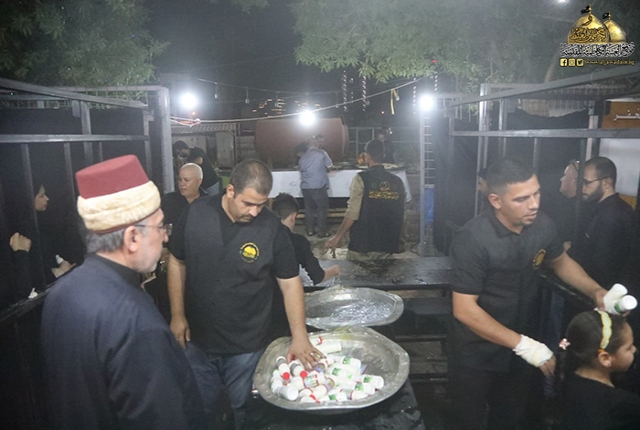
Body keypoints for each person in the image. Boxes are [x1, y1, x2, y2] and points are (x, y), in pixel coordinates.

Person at [41, 155, 205, 429]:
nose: (165, 236)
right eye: (160, 226)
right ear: (132, 237)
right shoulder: (136, 322)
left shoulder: (63, 291)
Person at [448, 157, 607, 430]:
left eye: (536, 194)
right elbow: (464, 309)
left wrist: (596, 290)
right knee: (467, 421)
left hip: (521, 348)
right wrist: (524, 345)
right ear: (496, 201)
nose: (533, 204)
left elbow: (561, 262)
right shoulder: (473, 239)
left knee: (510, 419)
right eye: (521, 199)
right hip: (476, 351)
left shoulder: (542, 225)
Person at [168, 159, 320, 429]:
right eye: (248, 203)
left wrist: (299, 336)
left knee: (241, 408)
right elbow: (177, 261)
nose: (254, 212)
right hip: (197, 339)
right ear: (230, 191)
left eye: (261, 205)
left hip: (247, 345)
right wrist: (177, 315)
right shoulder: (195, 214)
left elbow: (289, 283)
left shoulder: (271, 228)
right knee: (202, 407)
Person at [556, 310, 640, 429]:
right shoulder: (624, 405)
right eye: (629, 348)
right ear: (605, 358)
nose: (634, 350)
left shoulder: (566, 376)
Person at [325, 139, 405, 261]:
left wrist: (337, 236)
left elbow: (353, 213)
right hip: (387, 246)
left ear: (367, 156)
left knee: (357, 273)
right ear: (383, 155)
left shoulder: (361, 179)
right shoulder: (397, 182)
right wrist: (400, 239)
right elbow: (401, 213)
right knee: (384, 272)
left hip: (362, 245)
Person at [568, 157, 636, 290]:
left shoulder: (612, 216)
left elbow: (601, 267)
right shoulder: (611, 209)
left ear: (606, 183)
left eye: (586, 182)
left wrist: (571, 252)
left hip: (604, 292)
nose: (581, 188)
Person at [271, 193, 340, 285]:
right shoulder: (298, 242)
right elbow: (318, 277)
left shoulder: (260, 235)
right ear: (293, 217)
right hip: (285, 291)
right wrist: (335, 270)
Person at [298, 136, 333, 237]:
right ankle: (322, 232)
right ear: (317, 144)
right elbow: (329, 165)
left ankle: (310, 230)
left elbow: (301, 169)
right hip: (318, 186)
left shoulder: (303, 157)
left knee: (309, 209)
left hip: (305, 187)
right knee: (321, 209)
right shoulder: (321, 153)